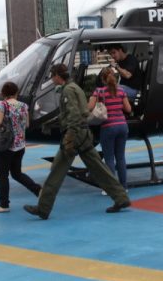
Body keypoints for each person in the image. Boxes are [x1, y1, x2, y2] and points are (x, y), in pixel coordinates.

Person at [23, 64, 131, 220]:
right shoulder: (76, 88)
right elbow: (82, 111)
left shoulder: (67, 91)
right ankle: (121, 198)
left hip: (74, 136)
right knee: (100, 169)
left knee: (56, 172)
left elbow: (74, 115)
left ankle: (43, 208)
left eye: (52, 76)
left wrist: (69, 137)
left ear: (58, 76)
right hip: (84, 134)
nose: (52, 79)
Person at [0, 81, 42, 213]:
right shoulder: (24, 106)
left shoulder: (1, 105)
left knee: (2, 176)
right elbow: (27, 124)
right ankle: (38, 190)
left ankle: (4, 205)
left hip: (6, 146)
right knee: (17, 173)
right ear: (16, 92)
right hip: (20, 145)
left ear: (3, 94)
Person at [88, 66, 131, 188]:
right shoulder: (122, 91)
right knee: (121, 158)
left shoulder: (99, 91)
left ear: (102, 79)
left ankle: (112, 188)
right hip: (122, 126)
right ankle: (124, 186)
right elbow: (128, 109)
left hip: (108, 127)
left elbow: (89, 107)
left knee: (109, 159)